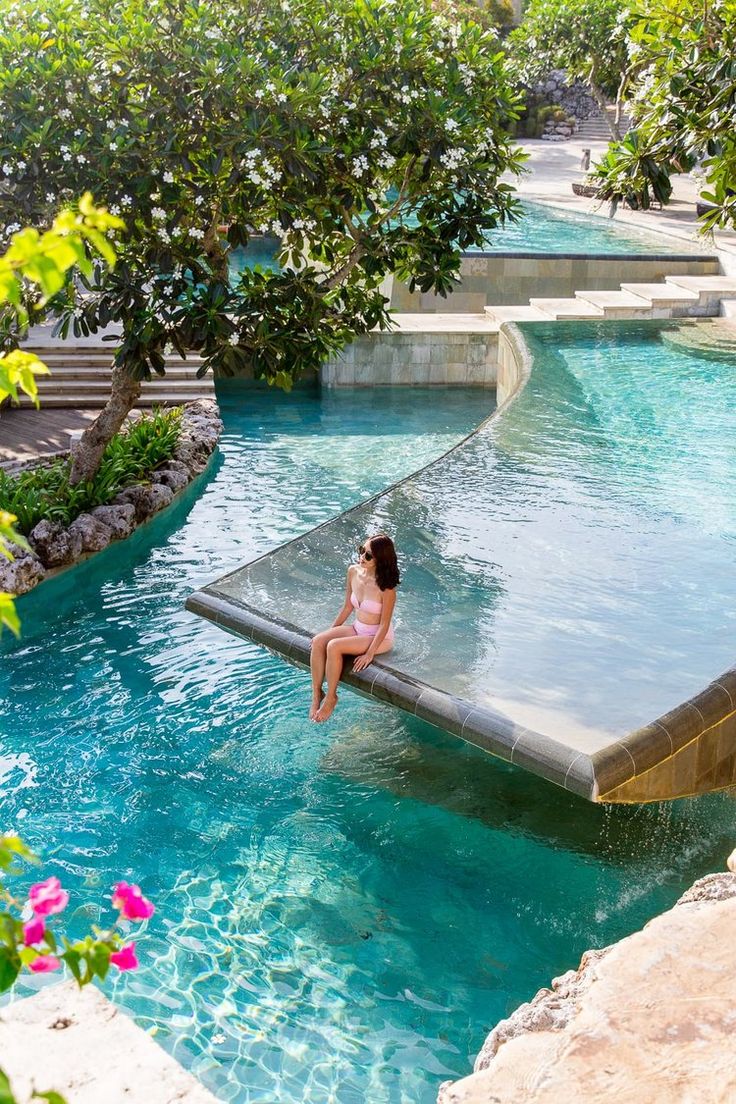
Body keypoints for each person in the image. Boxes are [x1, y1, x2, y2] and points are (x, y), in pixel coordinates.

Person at [309, 533, 400, 722]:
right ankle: (317, 693)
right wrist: (329, 632)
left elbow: (384, 625)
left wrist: (370, 653)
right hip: (358, 628)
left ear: (380, 560)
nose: (362, 557)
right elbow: (348, 607)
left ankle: (332, 697)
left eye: (368, 555)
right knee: (319, 641)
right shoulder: (353, 571)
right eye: (361, 551)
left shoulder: (387, 589)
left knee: (334, 646)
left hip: (379, 637)